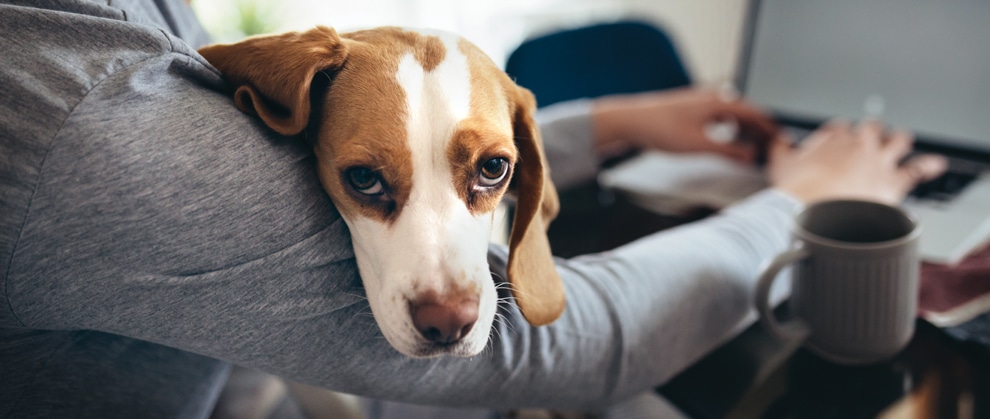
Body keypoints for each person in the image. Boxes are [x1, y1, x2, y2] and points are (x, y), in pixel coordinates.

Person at [0, 0, 945, 417]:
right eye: (368, 187)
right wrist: (804, 202)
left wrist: (606, 124)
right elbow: (559, 346)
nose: (452, 292)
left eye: (491, 172)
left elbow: (413, 142)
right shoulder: (78, 121)